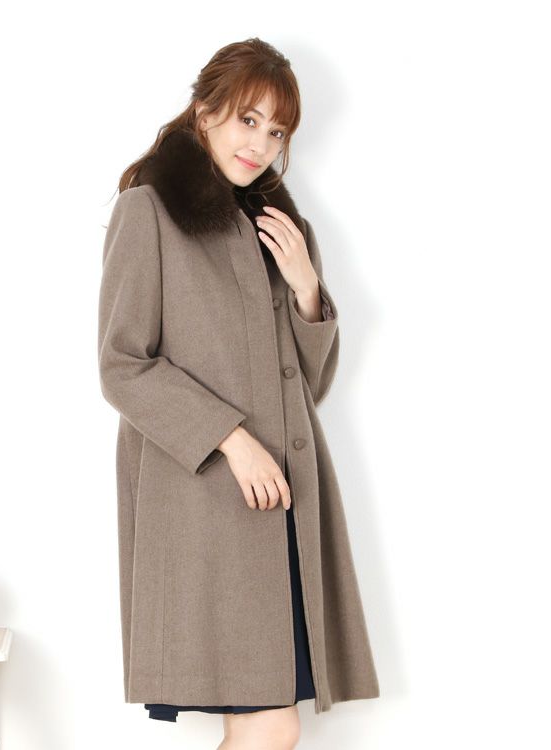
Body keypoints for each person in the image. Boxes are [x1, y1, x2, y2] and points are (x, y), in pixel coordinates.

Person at [98, 38, 379, 749]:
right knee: (270, 726)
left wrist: (307, 288)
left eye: (277, 131)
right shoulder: (147, 211)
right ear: (205, 112)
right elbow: (121, 365)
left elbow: (306, 386)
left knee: (269, 724)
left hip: (284, 504)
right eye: (248, 120)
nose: (261, 144)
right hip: (205, 507)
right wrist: (232, 439)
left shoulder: (281, 232)